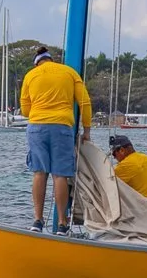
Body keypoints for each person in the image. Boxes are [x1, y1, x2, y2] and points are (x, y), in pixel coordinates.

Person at [20, 46, 93, 232]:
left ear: (37, 62)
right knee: (60, 175)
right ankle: (62, 223)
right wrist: (87, 130)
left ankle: (37, 221)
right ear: (51, 59)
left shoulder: (31, 75)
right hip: (62, 126)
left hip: (37, 127)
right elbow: (84, 102)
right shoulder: (69, 72)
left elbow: (25, 110)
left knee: (39, 173)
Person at [108, 135, 147, 199]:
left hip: (136, 207)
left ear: (122, 150)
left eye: (114, 154)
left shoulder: (125, 164)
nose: (114, 157)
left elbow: (109, 186)